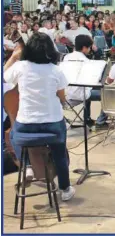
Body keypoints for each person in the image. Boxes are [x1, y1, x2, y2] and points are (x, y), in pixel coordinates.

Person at [4, 33, 75, 201]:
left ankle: (27, 166)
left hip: (26, 123)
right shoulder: (56, 70)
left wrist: (14, 57)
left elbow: (4, 76)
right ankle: (65, 189)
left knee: (14, 134)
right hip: (53, 122)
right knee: (59, 152)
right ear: (50, 49)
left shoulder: (21, 67)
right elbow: (62, 98)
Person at [63, 35, 107, 127]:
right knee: (107, 95)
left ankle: (87, 118)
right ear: (84, 48)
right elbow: (93, 80)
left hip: (67, 92)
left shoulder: (66, 57)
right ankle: (101, 121)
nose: (90, 50)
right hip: (80, 93)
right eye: (89, 47)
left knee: (87, 88)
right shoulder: (85, 61)